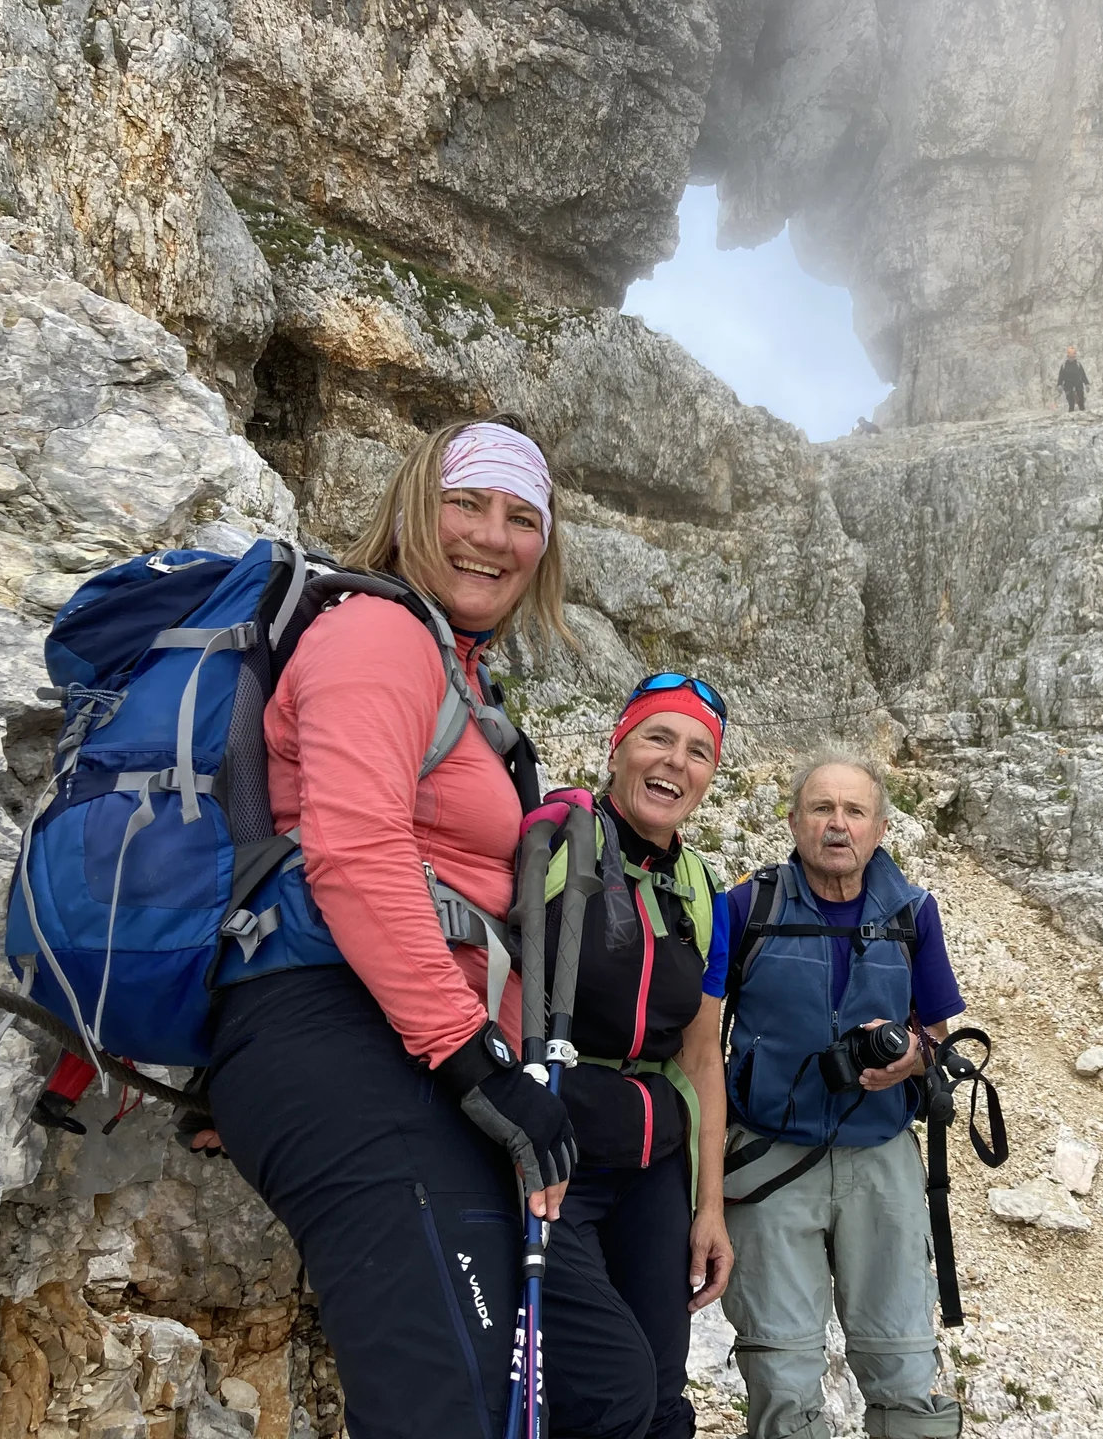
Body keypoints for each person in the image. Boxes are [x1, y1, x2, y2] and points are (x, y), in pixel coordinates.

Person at [204, 417, 576, 1439]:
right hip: (344, 1034)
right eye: (466, 503)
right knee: (443, 1408)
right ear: (415, 506)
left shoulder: (451, 668)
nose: (491, 536)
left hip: (386, 1046)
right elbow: (356, 854)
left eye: (519, 517)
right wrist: (480, 1068)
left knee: (531, 1391)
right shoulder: (375, 635)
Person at [720, 753, 969, 1439]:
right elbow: (700, 1034)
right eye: (821, 809)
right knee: (780, 1372)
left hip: (881, 1159)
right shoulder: (748, 906)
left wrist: (912, 1055)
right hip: (768, 1162)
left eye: (854, 811)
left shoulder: (914, 913)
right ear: (795, 820)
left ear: (880, 827)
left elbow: (938, 1040)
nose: (837, 825)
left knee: (903, 1363)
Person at [539, 674, 735, 1439]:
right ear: (618, 747)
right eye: (658, 737)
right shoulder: (552, 840)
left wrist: (710, 1209)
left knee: (660, 1395)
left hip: (654, 1164)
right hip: (558, 1148)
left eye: (698, 752)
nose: (675, 763)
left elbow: (702, 1058)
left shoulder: (700, 890)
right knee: (606, 1385)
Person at [1057, 346, 1088, 411]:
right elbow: (1061, 376)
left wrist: (1087, 384)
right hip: (1068, 386)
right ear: (1068, 356)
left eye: (1073, 357)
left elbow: (1083, 375)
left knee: (1081, 402)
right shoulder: (1064, 365)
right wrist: (1059, 385)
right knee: (1071, 402)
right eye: (1070, 357)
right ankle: (1070, 416)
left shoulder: (1078, 364)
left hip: (1078, 384)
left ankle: (1083, 414)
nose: (1072, 358)